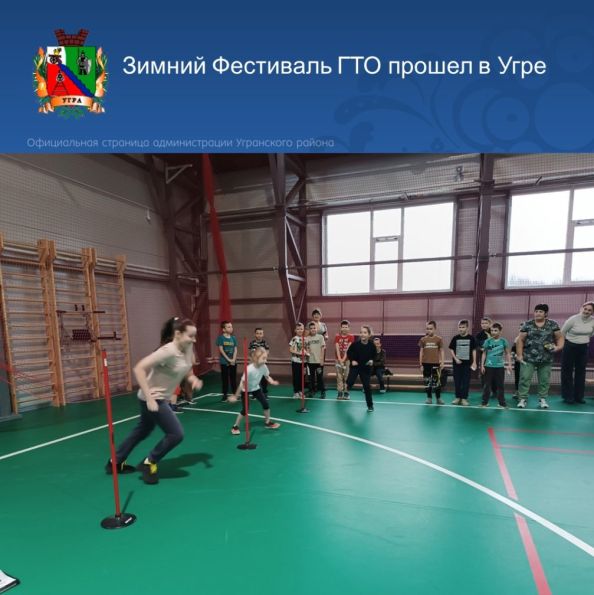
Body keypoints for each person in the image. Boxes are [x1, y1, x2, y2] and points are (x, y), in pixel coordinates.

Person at [105, 318, 203, 485]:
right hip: (153, 398)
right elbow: (139, 368)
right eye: (191, 336)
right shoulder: (167, 351)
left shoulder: (187, 347)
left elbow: (186, 368)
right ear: (178, 334)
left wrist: (193, 378)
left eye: (195, 336)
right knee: (176, 434)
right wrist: (150, 398)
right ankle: (149, 462)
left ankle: (115, 462)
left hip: (159, 397)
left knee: (142, 430)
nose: (194, 340)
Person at [516, 304, 564, 409]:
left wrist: (558, 347)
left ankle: (542, 399)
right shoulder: (527, 324)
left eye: (540, 311)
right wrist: (519, 355)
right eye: (536, 311)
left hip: (546, 358)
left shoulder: (553, 324)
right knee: (524, 378)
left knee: (544, 380)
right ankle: (522, 399)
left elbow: (560, 337)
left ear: (545, 313)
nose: (537, 313)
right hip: (528, 358)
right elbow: (520, 340)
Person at [228, 347, 280, 434]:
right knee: (245, 410)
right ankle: (235, 426)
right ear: (256, 358)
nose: (266, 360)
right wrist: (236, 396)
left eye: (266, 358)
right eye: (263, 358)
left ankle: (267, 422)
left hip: (256, 388)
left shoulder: (264, 366)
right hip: (245, 389)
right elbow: (242, 383)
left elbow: (267, 376)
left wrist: (272, 381)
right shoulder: (249, 369)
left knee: (266, 404)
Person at [560, 302, 594, 405]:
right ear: (582, 308)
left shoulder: (593, 321)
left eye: (589, 310)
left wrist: (582, 340)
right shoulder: (573, 319)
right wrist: (565, 343)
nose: (586, 311)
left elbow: (591, 334)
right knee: (567, 371)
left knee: (581, 372)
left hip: (583, 348)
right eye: (585, 309)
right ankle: (568, 396)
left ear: (592, 312)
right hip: (569, 347)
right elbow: (562, 332)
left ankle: (579, 397)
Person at [480, 323, 512, 408]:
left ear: (500, 331)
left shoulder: (503, 341)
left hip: (499, 367)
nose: (493, 332)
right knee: (487, 385)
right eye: (492, 330)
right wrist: (482, 365)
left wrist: (509, 365)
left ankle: (502, 403)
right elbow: (484, 353)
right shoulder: (488, 341)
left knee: (500, 385)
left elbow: (507, 353)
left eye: (495, 330)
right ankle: (484, 403)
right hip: (488, 367)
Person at [345, 326, 377, 411]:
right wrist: (352, 360)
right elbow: (349, 352)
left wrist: (371, 360)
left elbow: (374, 355)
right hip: (356, 366)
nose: (362, 334)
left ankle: (370, 405)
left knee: (367, 386)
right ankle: (347, 389)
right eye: (361, 332)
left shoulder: (372, 345)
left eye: (365, 332)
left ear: (369, 335)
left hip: (365, 368)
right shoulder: (355, 344)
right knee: (350, 382)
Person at [449, 320, 477, 406]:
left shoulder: (471, 338)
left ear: (467, 328)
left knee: (466, 382)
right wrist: (455, 359)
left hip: (467, 364)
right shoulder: (455, 338)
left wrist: (474, 362)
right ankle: (457, 397)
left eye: (463, 327)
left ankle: (464, 398)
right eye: (460, 327)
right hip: (457, 364)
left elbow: (474, 350)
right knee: (457, 381)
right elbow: (451, 349)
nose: (461, 329)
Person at [419, 321, 445, 405]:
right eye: (427, 329)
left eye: (431, 329)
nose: (429, 330)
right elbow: (421, 352)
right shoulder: (423, 339)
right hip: (425, 364)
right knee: (427, 381)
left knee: (436, 382)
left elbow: (442, 351)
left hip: (435, 364)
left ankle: (438, 398)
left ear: (435, 329)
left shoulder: (439, 339)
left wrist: (442, 362)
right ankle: (429, 398)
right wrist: (421, 364)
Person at [475, 316, 497, 399]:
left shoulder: (494, 332)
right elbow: (476, 345)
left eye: (486, 323)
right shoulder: (479, 335)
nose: (484, 325)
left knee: (494, 374)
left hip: (494, 357)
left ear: (490, 324)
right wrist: (481, 349)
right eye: (482, 323)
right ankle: (486, 391)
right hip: (483, 358)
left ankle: (495, 391)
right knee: (484, 374)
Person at [217, 321, 238, 402]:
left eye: (231, 326)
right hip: (224, 362)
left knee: (233, 378)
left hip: (233, 362)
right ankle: (224, 395)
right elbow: (221, 350)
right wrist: (228, 360)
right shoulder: (221, 338)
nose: (231, 328)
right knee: (225, 379)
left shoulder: (233, 338)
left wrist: (233, 359)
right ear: (224, 329)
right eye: (229, 327)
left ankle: (235, 394)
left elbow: (235, 349)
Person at [335, 320, 355, 400]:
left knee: (347, 376)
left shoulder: (351, 337)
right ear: (340, 328)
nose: (344, 329)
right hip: (338, 360)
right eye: (343, 327)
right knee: (339, 376)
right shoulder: (337, 337)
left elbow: (348, 349)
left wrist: (343, 359)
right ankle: (340, 392)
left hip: (347, 360)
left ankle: (346, 392)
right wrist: (339, 359)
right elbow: (337, 348)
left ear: (349, 328)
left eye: (346, 327)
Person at [306, 321, 326, 398]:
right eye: (311, 328)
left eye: (314, 328)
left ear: (316, 329)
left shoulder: (320, 337)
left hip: (318, 362)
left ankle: (323, 392)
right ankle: (312, 391)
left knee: (319, 377)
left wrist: (322, 359)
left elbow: (323, 349)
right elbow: (306, 348)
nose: (313, 329)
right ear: (309, 330)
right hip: (310, 361)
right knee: (311, 378)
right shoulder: (307, 338)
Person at [249, 327, 270, 397]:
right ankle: (255, 394)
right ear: (255, 334)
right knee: (255, 379)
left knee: (264, 379)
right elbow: (251, 353)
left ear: (263, 334)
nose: (259, 335)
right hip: (255, 364)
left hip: (262, 364)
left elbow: (267, 352)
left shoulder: (265, 343)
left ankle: (265, 392)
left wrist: (262, 358)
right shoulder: (252, 343)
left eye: (260, 333)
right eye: (257, 333)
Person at [289, 323, 308, 398]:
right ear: (295, 330)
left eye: (301, 329)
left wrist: (307, 353)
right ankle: (296, 392)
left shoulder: (305, 339)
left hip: (304, 362)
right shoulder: (294, 339)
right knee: (296, 377)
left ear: (303, 330)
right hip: (296, 361)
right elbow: (291, 350)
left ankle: (301, 391)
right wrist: (299, 353)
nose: (300, 330)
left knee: (302, 377)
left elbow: (307, 349)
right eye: (298, 329)